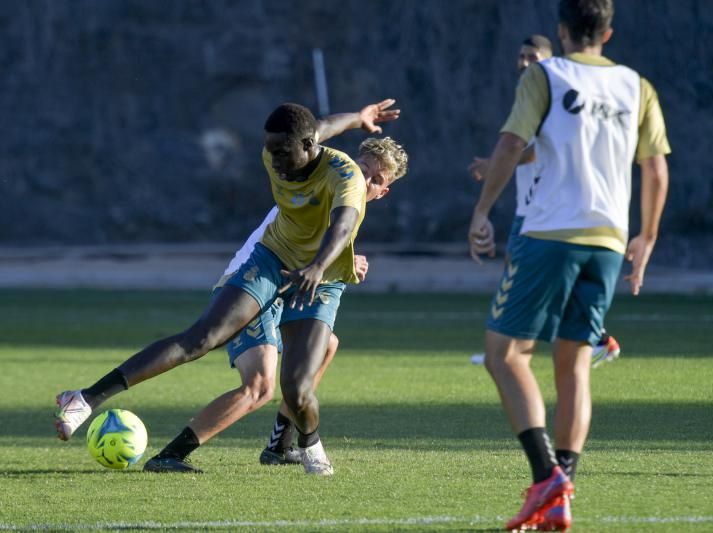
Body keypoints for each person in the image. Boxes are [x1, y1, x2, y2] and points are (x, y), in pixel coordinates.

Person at [54, 99, 406, 477]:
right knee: (211, 348)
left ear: (306, 147)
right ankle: (89, 401)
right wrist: (359, 118)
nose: (276, 162)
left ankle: (298, 442)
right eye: (271, 151)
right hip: (268, 263)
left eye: (283, 153)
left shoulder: (345, 178)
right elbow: (324, 126)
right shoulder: (292, 150)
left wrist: (323, 265)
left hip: (316, 278)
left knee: (303, 377)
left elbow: (342, 224)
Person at [467, 0, 670, 530]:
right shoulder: (636, 85)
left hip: (551, 231)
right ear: (609, 31)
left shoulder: (546, 75)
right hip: (607, 240)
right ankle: (562, 493)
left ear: (562, 31)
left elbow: (513, 143)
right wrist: (645, 237)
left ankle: (546, 475)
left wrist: (483, 209)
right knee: (575, 363)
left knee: (503, 352)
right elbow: (655, 171)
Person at [143, 135, 408, 473]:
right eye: (364, 168)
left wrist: (344, 261)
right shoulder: (327, 185)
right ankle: (172, 454)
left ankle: (279, 446)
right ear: (351, 161)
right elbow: (300, 239)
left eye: (376, 179)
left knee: (327, 345)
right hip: (251, 282)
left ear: (382, 192)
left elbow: (324, 245)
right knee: (259, 387)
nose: (366, 179)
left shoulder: (351, 203)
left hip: (280, 288)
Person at [469, 33, 621, 369]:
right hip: (535, 203)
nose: (524, 63)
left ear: (549, 59)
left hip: (544, 206)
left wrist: (493, 168)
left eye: (533, 57)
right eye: (521, 56)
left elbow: (530, 149)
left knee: (529, 269)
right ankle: (592, 339)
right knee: (521, 265)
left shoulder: (549, 89)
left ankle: (509, 348)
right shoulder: (532, 90)